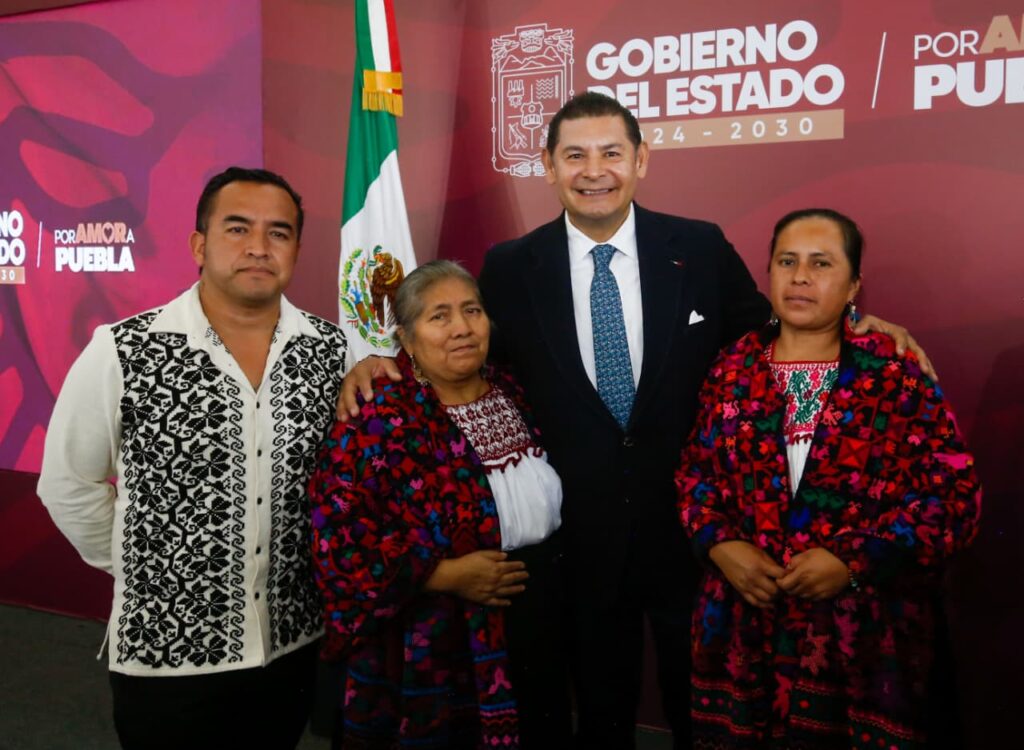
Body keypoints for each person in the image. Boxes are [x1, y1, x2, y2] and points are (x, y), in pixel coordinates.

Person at [340, 93, 933, 749]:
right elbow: (470, 358)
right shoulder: (510, 266)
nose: (594, 171)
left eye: (612, 153)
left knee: (703, 716)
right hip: (577, 547)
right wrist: (384, 361)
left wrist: (858, 324)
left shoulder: (699, 247)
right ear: (548, 167)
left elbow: (774, 334)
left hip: (698, 543)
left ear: (642, 159)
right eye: (575, 155)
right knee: (601, 715)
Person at [37, 167, 347, 750]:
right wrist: (149, 568)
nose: (259, 246)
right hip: (166, 659)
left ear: (297, 250)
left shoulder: (333, 351)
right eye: (238, 228)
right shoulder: (125, 349)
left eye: (279, 232)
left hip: (292, 648)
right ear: (199, 245)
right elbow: (68, 484)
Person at [676, 208, 981, 748]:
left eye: (821, 264)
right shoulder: (731, 369)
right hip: (745, 633)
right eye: (786, 261)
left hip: (864, 640)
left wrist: (853, 562)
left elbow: (953, 499)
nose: (800, 277)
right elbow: (694, 478)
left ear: (854, 285)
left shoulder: (894, 372)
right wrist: (721, 546)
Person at [309, 260, 570, 749]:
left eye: (472, 310)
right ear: (406, 340)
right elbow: (336, 535)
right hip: (437, 647)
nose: (462, 328)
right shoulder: (379, 417)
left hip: (538, 622)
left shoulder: (515, 390)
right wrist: (441, 575)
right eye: (439, 316)